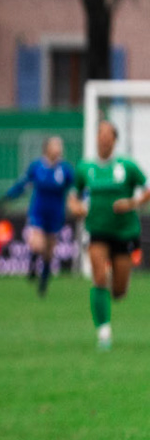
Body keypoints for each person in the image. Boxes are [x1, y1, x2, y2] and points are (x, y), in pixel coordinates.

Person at [70, 119, 147, 350]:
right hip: (97, 232)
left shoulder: (128, 166)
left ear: (114, 140)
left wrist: (132, 203)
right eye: (100, 134)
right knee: (99, 277)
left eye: (108, 135)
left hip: (124, 232)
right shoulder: (85, 168)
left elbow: (147, 190)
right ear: (95, 138)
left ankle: (118, 282)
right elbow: (73, 196)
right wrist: (76, 207)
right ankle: (103, 333)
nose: (103, 138)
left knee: (119, 291)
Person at [0, 136, 73, 295]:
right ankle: (32, 266)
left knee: (48, 251)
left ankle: (43, 282)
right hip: (38, 212)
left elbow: (76, 188)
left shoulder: (65, 169)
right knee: (37, 244)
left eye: (60, 145)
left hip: (56, 214)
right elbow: (23, 185)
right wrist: (7, 198)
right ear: (47, 148)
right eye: (55, 145)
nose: (59, 149)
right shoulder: (37, 167)